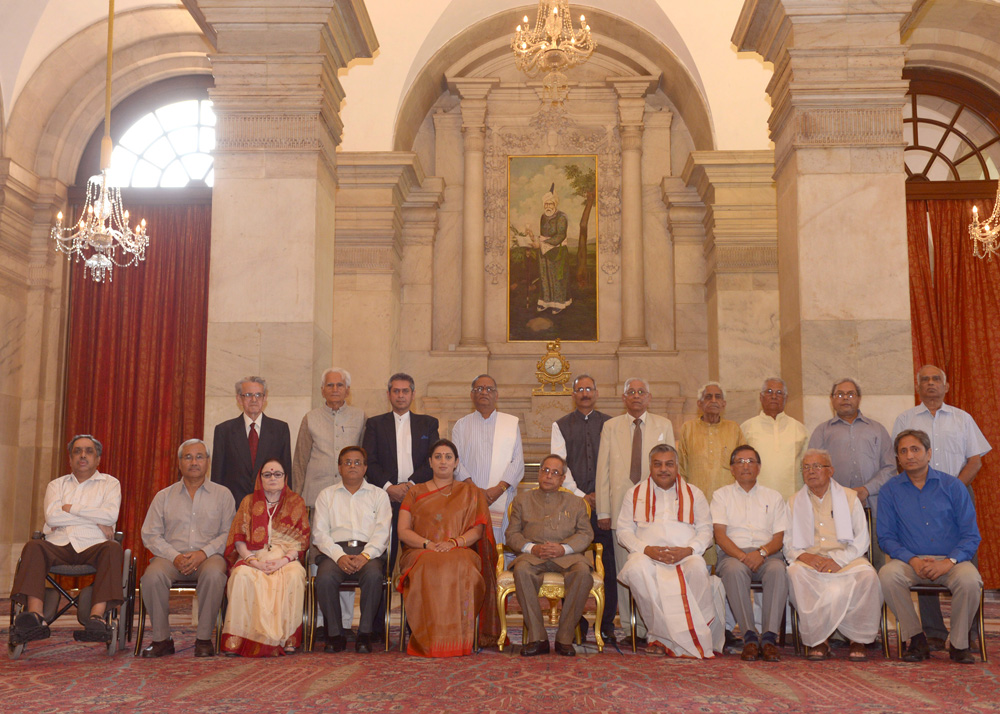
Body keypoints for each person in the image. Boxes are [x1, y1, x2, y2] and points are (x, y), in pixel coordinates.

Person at [891, 365, 990, 649]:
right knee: (924, 555)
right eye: (925, 379)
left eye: (936, 379)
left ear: (946, 386)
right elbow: (899, 459)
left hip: (957, 492)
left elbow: (975, 460)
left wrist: (952, 489)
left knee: (966, 558)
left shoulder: (962, 418)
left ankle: (967, 632)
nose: (931, 383)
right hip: (916, 494)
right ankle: (933, 631)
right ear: (917, 386)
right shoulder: (905, 418)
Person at [878, 429, 983, 664]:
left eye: (915, 449)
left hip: (951, 560)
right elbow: (886, 537)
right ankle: (916, 639)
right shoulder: (889, 491)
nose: (909, 455)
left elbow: (970, 535)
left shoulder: (953, 486)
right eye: (903, 451)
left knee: (970, 580)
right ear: (897, 458)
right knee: (887, 575)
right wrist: (912, 559)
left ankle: (958, 644)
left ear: (928, 453)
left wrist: (949, 562)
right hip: (910, 561)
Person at [10, 435, 124, 644]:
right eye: (77, 451)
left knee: (113, 549)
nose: (82, 455)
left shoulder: (110, 484)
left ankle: (96, 618)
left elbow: (110, 516)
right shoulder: (56, 485)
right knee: (34, 546)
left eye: (88, 451)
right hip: (58, 544)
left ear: (98, 458)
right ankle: (36, 616)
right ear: (70, 459)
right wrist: (95, 518)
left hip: (94, 545)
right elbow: (52, 517)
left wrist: (70, 508)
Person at [617, 444, 724, 658]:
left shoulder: (694, 493)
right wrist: (647, 549)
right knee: (636, 569)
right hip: (647, 556)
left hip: (684, 556)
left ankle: (689, 634)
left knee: (697, 566)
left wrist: (688, 550)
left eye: (669, 464)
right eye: (657, 464)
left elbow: (706, 531)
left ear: (677, 466)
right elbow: (623, 531)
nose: (663, 469)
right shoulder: (634, 493)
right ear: (650, 466)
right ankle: (659, 637)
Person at [396, 439, 500, 657]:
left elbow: (478, 530)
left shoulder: (470, 492)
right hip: (420, 551)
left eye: (448, 457)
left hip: (460, 549)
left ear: (456, 463)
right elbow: (403, 531)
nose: (443, 461)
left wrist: (454, 542)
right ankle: (429, 641)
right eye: (438, 457)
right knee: (428, 566)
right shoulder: (415, 492)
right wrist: (428, 544)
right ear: (430, 463)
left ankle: (459, 641)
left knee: (462, 565)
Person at [139, 439, 236, 657]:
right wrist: (174, 556)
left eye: (199, 457)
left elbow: (228, 534)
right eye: (188, 457)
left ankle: (203, 639)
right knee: (152, 577)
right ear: (179, 463)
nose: (194, 462)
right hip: (170, 558)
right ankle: (162, 640)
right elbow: (150, 534)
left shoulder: (223, 495)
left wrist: (203, 553)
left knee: (214, 574)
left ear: (207, 462)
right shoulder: (163, 496)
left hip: (209, 557)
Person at [595, 377, 674, 642]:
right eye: (631, 392)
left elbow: (671, 469)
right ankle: (631, 629)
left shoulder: (664, 425)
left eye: (641, 392)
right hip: (619, 510)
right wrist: (603, 512)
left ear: (649, 397)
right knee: (625, 570)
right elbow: (603, 471)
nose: (636, 396)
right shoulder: (610, 426)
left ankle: (651, 626)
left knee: (650, 568)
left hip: (655, 510)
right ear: (624, 398)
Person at [784, 449, 882, 662]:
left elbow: (861, 540)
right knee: (794, 572)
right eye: (806, 467)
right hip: (811, 562)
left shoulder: (849, 497)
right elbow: (788, 544)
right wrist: (804, 557)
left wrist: (838, 560)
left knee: (868, 576)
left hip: (846, 560)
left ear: (831, 471)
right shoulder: (793, 502)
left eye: (817, 466)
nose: (811, 471)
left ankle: (858, 639)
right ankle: (819, 640)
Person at [550, 373, 617, 643]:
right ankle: (573, 623)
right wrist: (582, 496)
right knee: (571, 562)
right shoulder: (561, 425)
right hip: (574, 506)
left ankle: (607, 625)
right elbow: (559, 465)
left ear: (596, 393)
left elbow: (616, 463)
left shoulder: (610, 424)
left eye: (589, 388)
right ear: (573, 394)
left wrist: (600, 497)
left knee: (608, 564)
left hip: (605, 506)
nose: (585, 393)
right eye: (580, 389)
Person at [505, 455, 594, 657]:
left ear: (562, 479)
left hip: (567, 556)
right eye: (545, 470)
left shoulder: (576, 502)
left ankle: (564, 638)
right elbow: (512, 534)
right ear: (539, 473)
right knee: (521, 570)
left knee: (582, 572)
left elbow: (586, 534)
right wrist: (530, 548)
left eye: (555, 473)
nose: (548, 476)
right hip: (533, 555)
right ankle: (538, 638)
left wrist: (564, 549)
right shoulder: (522, 500)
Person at [220, 459, 310, 657]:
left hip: (285, 558)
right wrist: (254, 561)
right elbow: (238, 539)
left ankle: (287, 638)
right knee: (242, 575)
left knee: (295, 575)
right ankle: (240, 640)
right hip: (254, 557)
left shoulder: (296, 502)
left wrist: (283, 561)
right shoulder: (248, 501)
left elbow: (301, 540)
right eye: (267, 475)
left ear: (285, 478)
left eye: (277, 474)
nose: (272, 478)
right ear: (260, 478)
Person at [711, 444, 788, 662]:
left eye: (751, 461)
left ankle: (770, 638)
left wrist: (761, 553)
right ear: (732, 469)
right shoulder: (721, 496)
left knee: (778, 570)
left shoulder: (773, 497)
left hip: (767, 555)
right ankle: (750, 636)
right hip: (733, 556)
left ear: (759, 467)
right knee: (734, 571)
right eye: (740, 462)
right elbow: (720, 535)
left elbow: (779, 538)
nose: (746, 466)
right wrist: (744, 557)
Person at [808, 378, 895, 567]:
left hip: (872, 505)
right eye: (839, 394)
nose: (845, 398)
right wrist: (844, 495)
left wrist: (865, 489)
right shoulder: (822, 431)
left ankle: (875, 598)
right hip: (834, 510)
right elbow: (813, 470)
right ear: (831, 399)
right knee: (839, 560)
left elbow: (890, 468)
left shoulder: (877, 430)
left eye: (850, 394)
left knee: (875, 561)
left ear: (859, 398)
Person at [312, 446, 391, 654]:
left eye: (357, 462)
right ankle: (335, 635)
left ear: (365, 468)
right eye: (347, 462)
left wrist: (366, 555)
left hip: (369, 552)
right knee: (325, 577)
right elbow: (319, 534)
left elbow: (382, 533)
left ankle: (364, 635)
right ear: (339, 467)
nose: (352, 466)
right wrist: (339, 556)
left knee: (374, 576)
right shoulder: (326, 495)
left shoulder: (379, 495)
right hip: (335, 552)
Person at [362, 372, 439, 563]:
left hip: (419, 498)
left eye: (405, 391)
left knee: (416, 558)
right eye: (396, 391)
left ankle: (412, 594)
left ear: (413, 394)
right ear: (388, 395)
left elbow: (433, 460)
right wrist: (389, 487)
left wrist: (411, 485)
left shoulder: (428, 424)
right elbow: (369, 461)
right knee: (381, 558)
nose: (401, 395)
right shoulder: (375, 424)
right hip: (384, 498)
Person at [678, 381, 745, 570]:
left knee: (729, 559)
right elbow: (681, 469)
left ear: (724, 404)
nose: (713, 401)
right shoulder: (687, 429)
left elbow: (743, 467)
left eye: (718, 397)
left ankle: (724, 599)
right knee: (700, 563)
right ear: (699, 404)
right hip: (697, 505)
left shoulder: (734, 429)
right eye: (708, 397)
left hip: (729, 506)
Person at [451, 374, 524, 545]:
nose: (484, 392)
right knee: (471, 545)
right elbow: (455, 462)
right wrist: (474, 489)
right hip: (469, 496)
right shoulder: (461, 425)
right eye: (479, 389)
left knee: (501, 547)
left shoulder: (511, 424)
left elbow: (518, 461)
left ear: (496, 395)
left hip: (502, 497)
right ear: (471, 395)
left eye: (489, 389)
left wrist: (499, 489)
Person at [212, 376, 292, 508]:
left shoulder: (280, 430)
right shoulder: (224, 431)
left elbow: (287, 473)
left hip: (271, 507)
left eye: (258, 395)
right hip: (234, 508)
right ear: (239, 399)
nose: (254, 400)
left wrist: (286, 506)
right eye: (248, 395)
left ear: (265, 398)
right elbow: (217, 477)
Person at [293, 368, 367, 509]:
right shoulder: (310, 418)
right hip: (316, 495)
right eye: (329, 385)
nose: (335, 389)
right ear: (322, 390)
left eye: (339, 385)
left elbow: (365, 458)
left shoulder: (360, 417)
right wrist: (296, 496)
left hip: (351, 495)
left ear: (347, 390)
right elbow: (300, 461)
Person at [740, 377, 808, 500]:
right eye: (769, 392)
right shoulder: (746, 428)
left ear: (786, 399)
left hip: (792, 499)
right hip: (755, 499)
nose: (774, 396)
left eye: (779, 393)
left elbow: (806, 467)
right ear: (761, 397)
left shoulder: (799, 428)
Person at [524, 182, 571, 314]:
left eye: (550, 204)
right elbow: (543, 235)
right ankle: (545, 302)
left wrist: (544, 244)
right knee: (544, 276)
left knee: (557, 278)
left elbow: (561, 235)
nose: (548, 206)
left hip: (557, 251)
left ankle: (559, 303)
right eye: (546, 204)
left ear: (555, 204)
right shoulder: (543, 217)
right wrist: (533, 237)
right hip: (544, 251)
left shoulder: (562, 217)